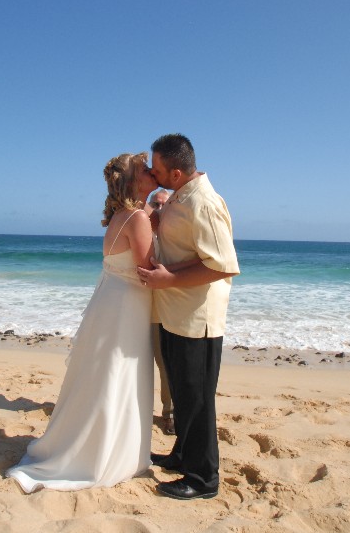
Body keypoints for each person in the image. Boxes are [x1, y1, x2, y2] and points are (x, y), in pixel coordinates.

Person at [6, 152, 158, 492]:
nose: (151, 171)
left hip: (114, 301)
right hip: (126, 306)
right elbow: (149, 271)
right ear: (135, 180)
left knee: (106, 374)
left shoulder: (127, 215)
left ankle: (102, 445)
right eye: (144, 168)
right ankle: (104, 454)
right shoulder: (136, 218)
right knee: (116, 374)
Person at [137, 133, 239, 501]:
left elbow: (223, 265)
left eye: (157, 169)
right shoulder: (181, 196)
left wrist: (169, 279)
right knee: (182, 393)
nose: (153, 173)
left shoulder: (203, 203)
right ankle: (182, 455)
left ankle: (203, 478)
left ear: (176, 173)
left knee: (197, 400)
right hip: (175, 312)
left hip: (198, 318)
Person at [146, 189, 174, 436]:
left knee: (164, 363)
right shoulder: (141, 231)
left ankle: (169, 414)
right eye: (155, 204)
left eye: (164, 205)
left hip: (162, 309)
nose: (159, 209)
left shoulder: (174, 236)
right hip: (137, 305)